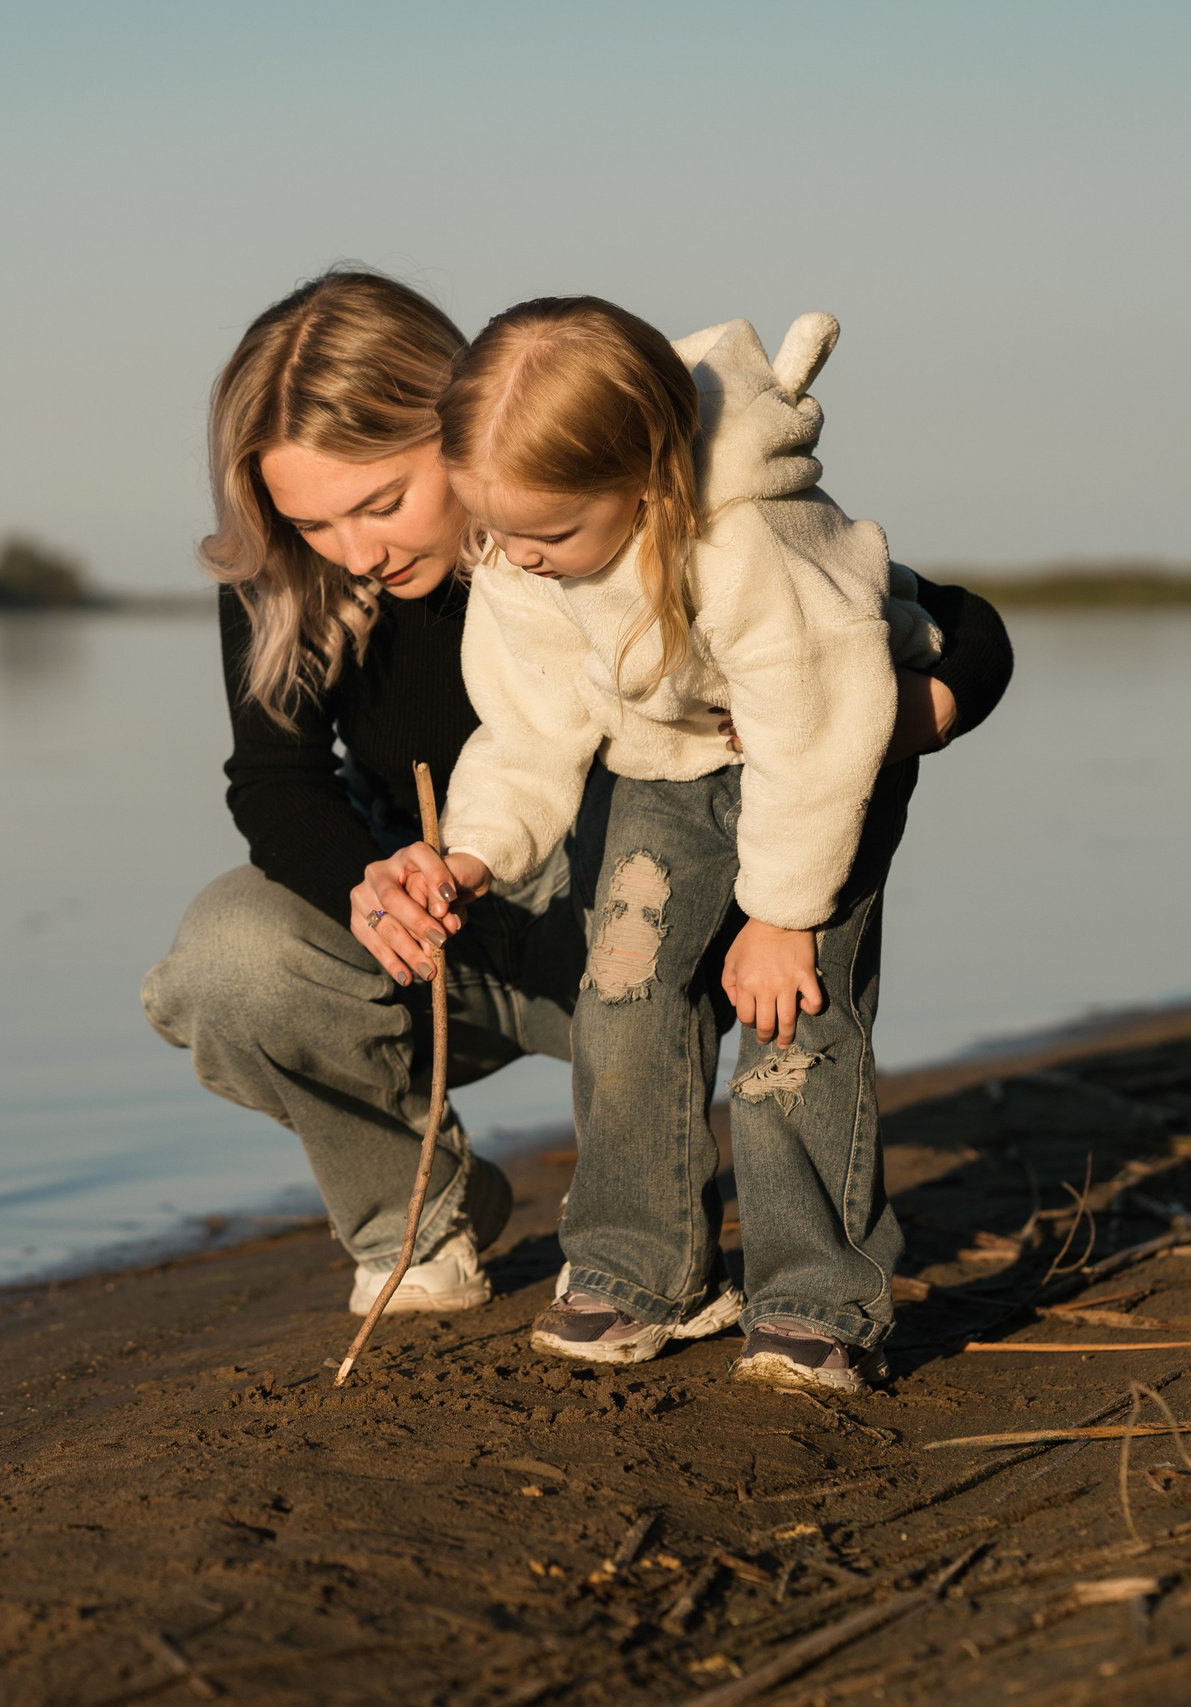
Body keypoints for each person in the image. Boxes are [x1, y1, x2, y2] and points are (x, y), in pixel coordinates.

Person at [142, 269, 1013, 1324]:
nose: (357, 553)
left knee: (712, 950)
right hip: (457, 930)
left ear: (460, 432)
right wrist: (376, 885)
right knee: (228, 961)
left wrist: (912, 709)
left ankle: (768, 1278)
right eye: (313, 522)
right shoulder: (291, 578)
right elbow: (274, 781)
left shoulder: (578, 518)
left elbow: (942, 621)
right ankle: (415, 1230)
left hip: (643, 939)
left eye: (382, 503)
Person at [377, 296, 932, 1394]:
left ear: (650, 487)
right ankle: (643, 1273)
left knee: (793, 1020)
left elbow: (815, 733)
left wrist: (780, 913)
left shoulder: (743, 546)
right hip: (663, 765)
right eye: (498, 532)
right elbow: (533, 719)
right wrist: (474, 852)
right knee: (625, 992)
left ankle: (816, 1299)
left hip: (821, 765)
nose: (521, 560)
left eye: (549, 536)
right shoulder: (518, 552)